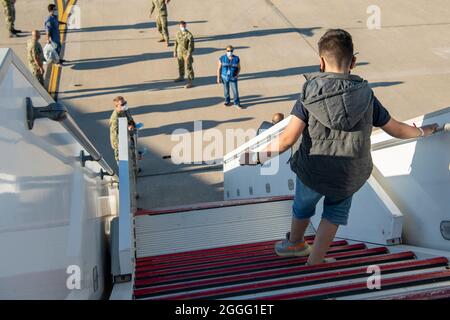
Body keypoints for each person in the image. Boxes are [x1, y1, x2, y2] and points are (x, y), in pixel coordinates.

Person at [240, 29, 438, 266]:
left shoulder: (309, 94)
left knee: (302, 205)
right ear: (353, 61)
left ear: (321, 62)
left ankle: (294, 243)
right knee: (333, 214)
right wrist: (422, 131)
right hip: (348, 173)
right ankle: (315, 262)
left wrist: (255, 157)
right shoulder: (366, 97)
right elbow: (394, 128)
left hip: (313, 169)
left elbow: (287, 139)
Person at [109, 96, 136, 162]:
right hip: (120, 143)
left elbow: (130, 119)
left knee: (132, 156)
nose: (125, 105)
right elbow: (114, 135)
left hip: (127, 137)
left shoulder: (125, 110)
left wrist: (131, 125)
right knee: (122, 164)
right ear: (117, 106)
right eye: (122, 104)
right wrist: (119, 147)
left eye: (125, 103)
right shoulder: (115, 118)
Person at [174, 21, 194, 89]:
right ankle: (181, 76)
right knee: (180, 65)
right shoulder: (177, 33)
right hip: (179, 52)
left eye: (184, 26)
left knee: (189, 67)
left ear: (186, 26)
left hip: (186, 53)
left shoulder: (189, 35)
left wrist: (189, 54)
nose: (183, 27)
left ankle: (190, 82)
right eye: (181, 26)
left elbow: (191, 46)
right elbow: (176, 43)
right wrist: (174, 52)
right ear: (179, 26)